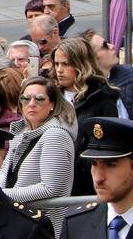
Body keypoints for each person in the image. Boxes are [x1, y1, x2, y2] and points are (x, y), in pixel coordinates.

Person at [2, 75, 76, 237]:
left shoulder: (56, 135)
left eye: (40, 99)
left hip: (43, 229)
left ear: (52, 104)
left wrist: (0, 196)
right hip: (16, 223)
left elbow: (51, 188)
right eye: (25, 99)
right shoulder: (20, 133)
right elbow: (4, 176)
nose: (31, 104)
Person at [52, 37, 121, 195]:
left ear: (81, 64)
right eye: (56, 64)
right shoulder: (50, 94)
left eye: (66, 64)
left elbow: (105, 145)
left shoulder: (101, 98)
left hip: (84, 183)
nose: (59, 70)